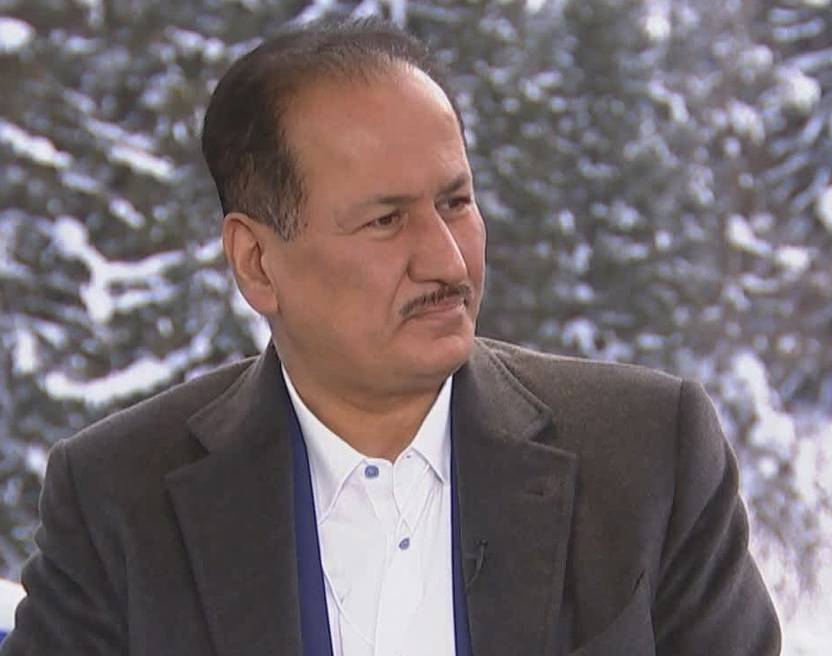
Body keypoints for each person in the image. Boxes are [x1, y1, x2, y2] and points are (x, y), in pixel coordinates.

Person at [1, 19, 781, 656]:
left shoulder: (648, 455)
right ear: (256, 262)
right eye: (385, 220)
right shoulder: (118, 500)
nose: (446, 260)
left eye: (456, 203)